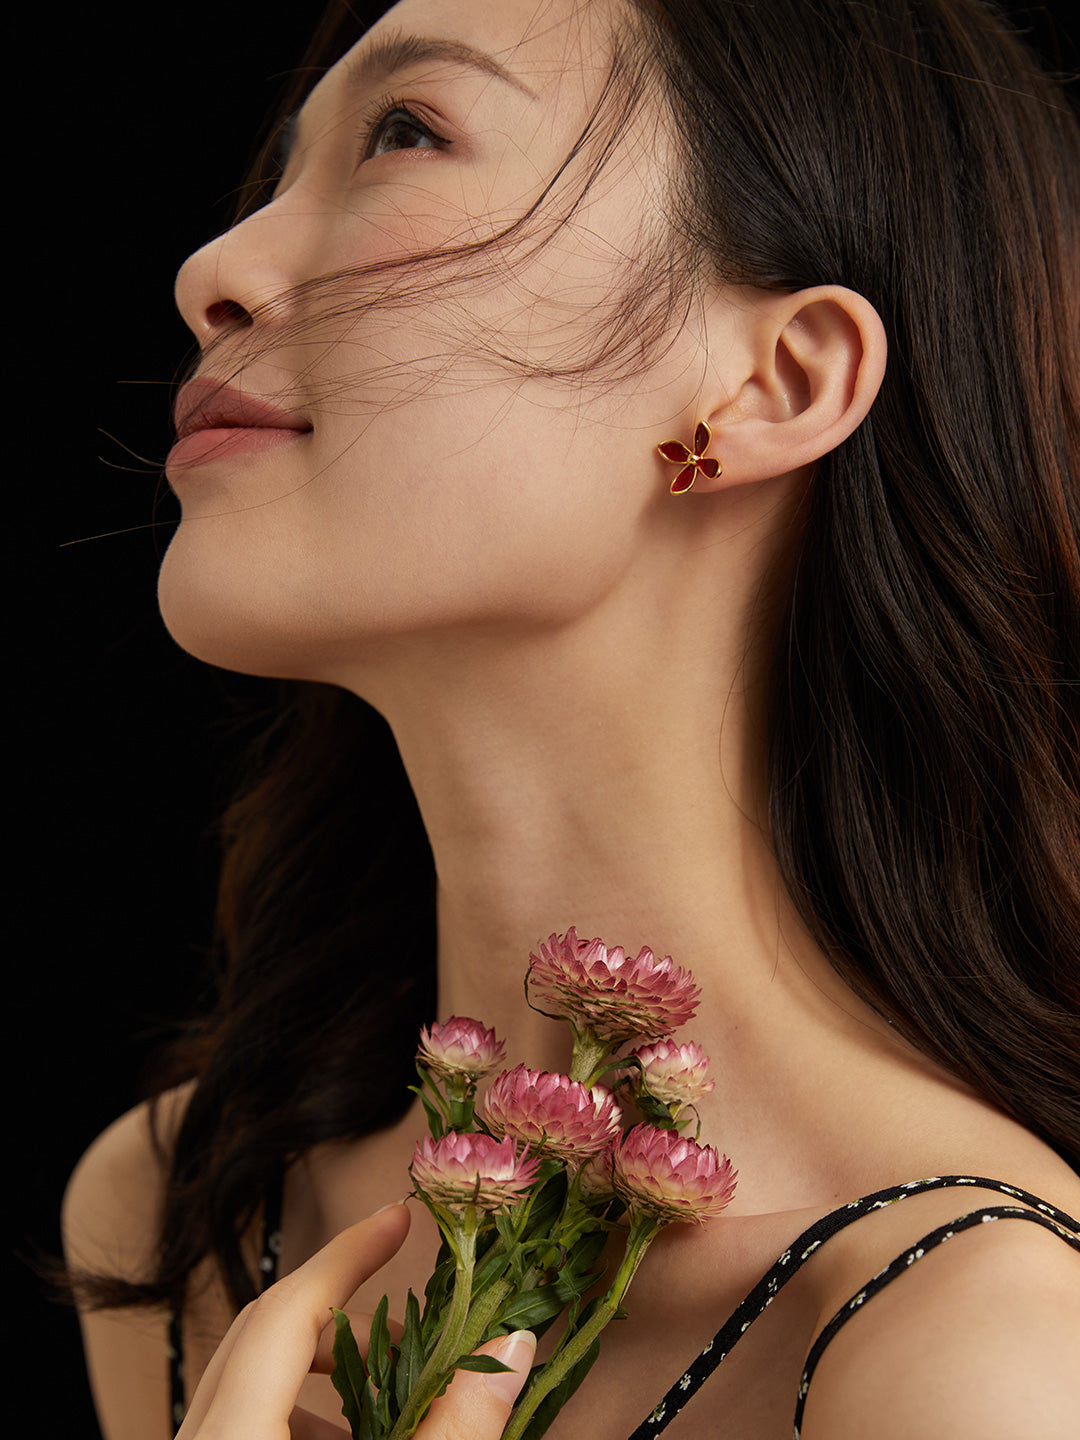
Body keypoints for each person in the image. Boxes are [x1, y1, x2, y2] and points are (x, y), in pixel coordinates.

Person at [62, 0, 1080, 1437]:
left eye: (408, 136)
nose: (212, 270)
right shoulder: (187, 1211)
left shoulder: (982, 1348)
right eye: (281, 172)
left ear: (774, 382)